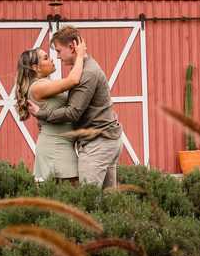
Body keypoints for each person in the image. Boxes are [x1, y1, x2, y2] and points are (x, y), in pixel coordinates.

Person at [28, 25, 122, 187]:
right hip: (105, 141)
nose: (57, 57)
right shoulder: (85, 69)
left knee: (87, 199)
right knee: (106, 201)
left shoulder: (87, 73)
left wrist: (42, 115)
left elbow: (73, 113)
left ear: (71, 47)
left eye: (58, 51)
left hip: (97, 145)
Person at [14, 40, 87, 183]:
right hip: (56, 148)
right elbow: (73, 80)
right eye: (46, 58)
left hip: (61, 145)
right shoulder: (38, 87)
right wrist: (80, 54)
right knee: (69, 195)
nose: (52, 59)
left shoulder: (44, 84)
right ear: (36, 68)